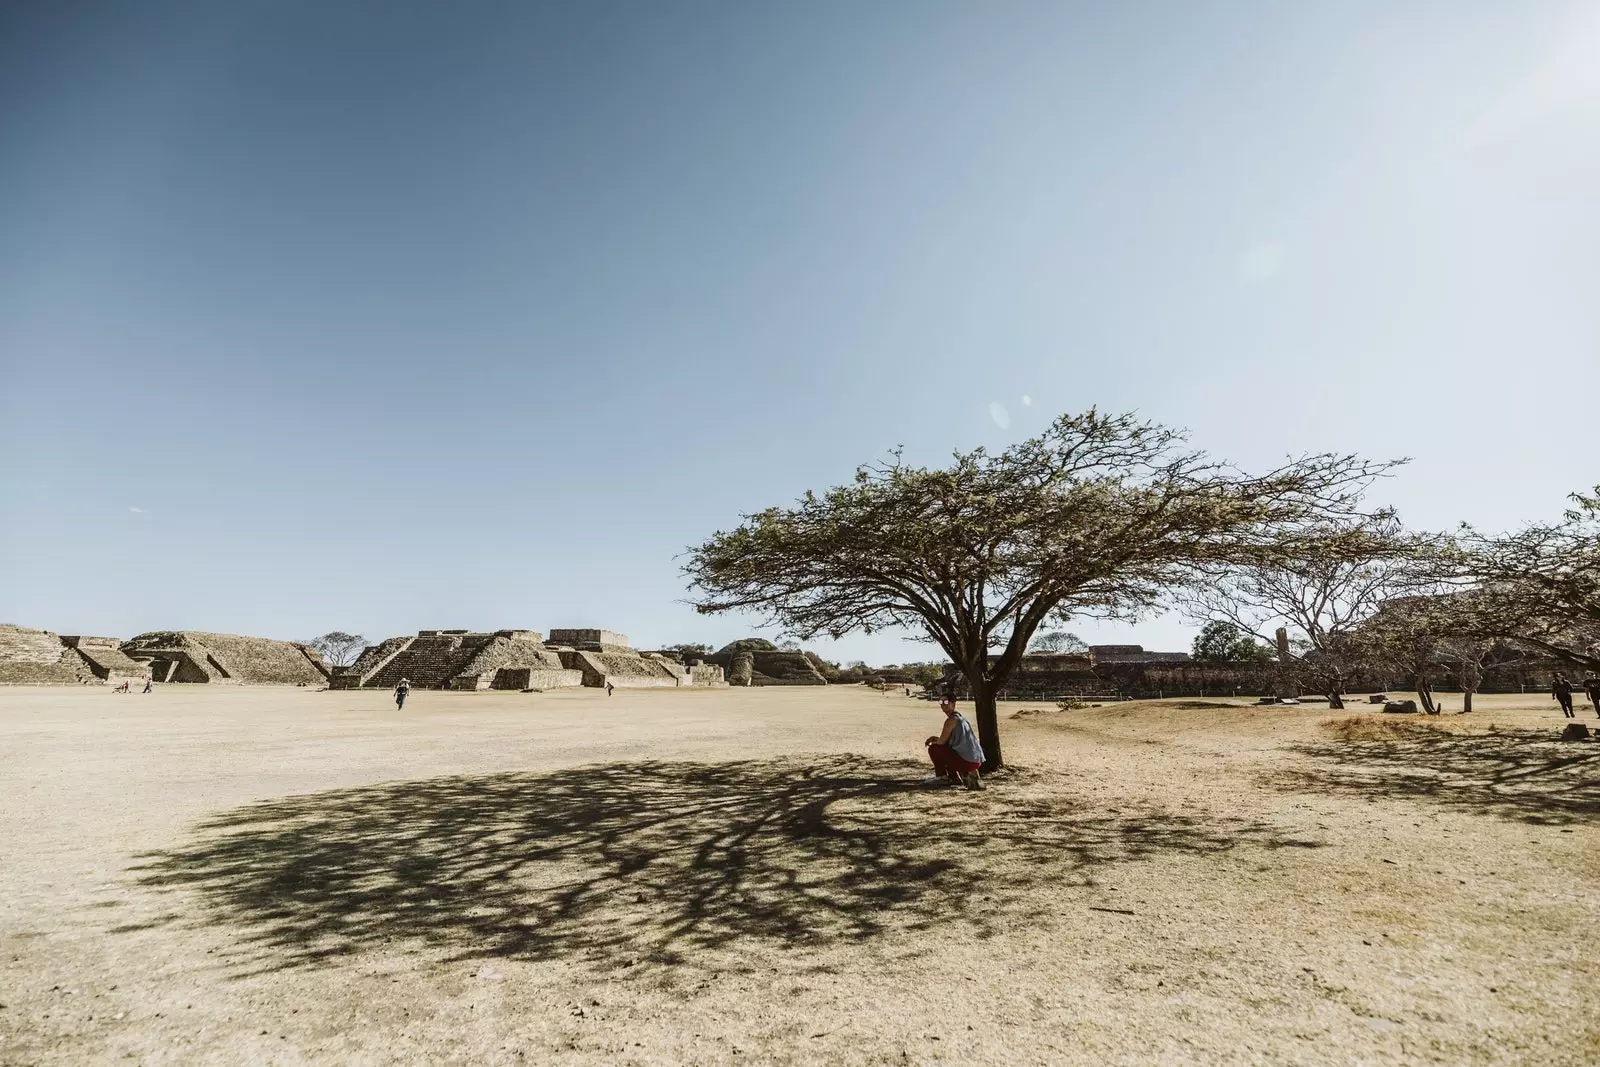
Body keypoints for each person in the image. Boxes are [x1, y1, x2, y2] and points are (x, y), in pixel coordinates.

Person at [924, 694, 985, 790]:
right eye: (941, 702)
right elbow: (946, 740)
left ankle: (942, 777)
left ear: (953, 704)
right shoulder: (960, 717)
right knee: (947, 750)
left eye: (946, 702)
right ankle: (954, 777)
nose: (943, 705)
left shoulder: (951, 720)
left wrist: (932, 741)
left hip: (968, 762)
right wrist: (935, 738)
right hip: (974, 759)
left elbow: (941, 742)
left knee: (934, 749)